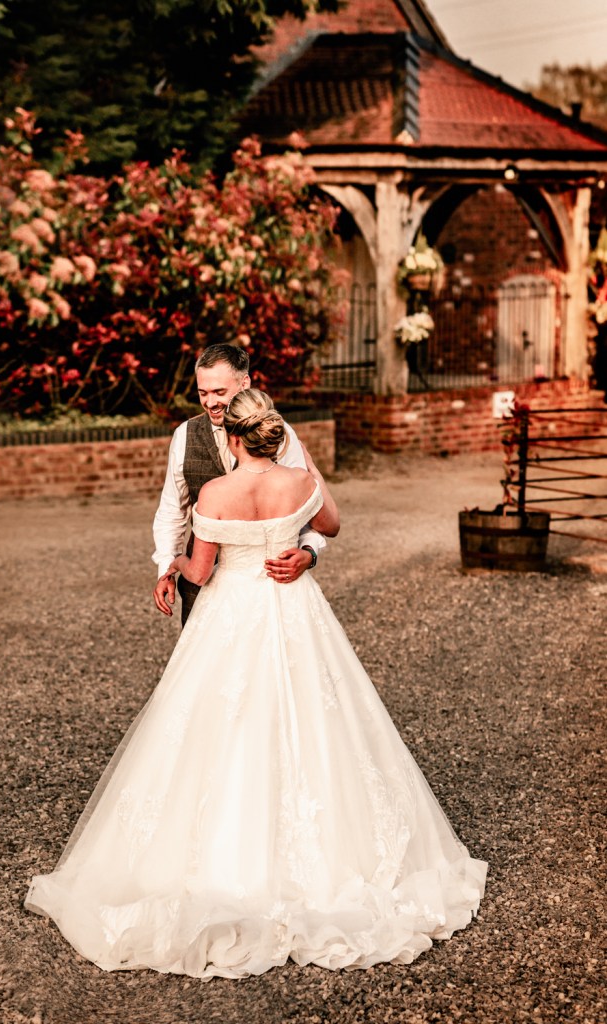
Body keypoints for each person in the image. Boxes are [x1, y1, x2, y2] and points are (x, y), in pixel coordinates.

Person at [24, 389, 487, 979]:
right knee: (316, 719)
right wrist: (306, 469)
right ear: (272, 432)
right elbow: (331, 524)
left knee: (218, 727)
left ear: (232, 437)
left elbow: (200, 572)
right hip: (294, 609)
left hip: (231, 613)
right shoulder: (299, 482)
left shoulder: (216, 493)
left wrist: (172, 567)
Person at [152, 342, 325, 625]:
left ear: (244, 383)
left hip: (270, 592)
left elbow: (307, 509)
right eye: (203, 393)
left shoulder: (280, 435)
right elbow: (172, 511)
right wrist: (165, 569)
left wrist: (309, 552)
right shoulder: (184, 435)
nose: (210, 402)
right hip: (201, 589)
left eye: (219, 392)